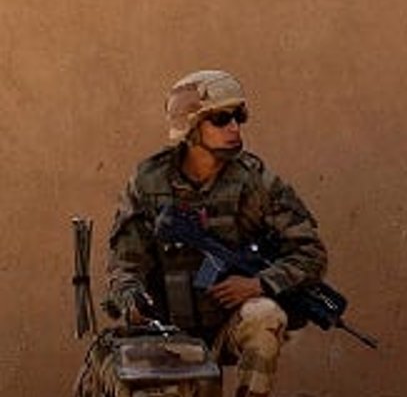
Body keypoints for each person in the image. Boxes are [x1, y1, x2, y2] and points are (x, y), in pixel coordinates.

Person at [104, 70, 328, 397]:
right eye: (221, 119)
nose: (235, 127)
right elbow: (124, 266)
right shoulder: (148, 182)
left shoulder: (255, 182)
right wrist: (133, 303)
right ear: (191, 128)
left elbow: (310, 253)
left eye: (239, 116)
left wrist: (259, 283)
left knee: (265, 314)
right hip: (168, 334)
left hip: (229, 327)